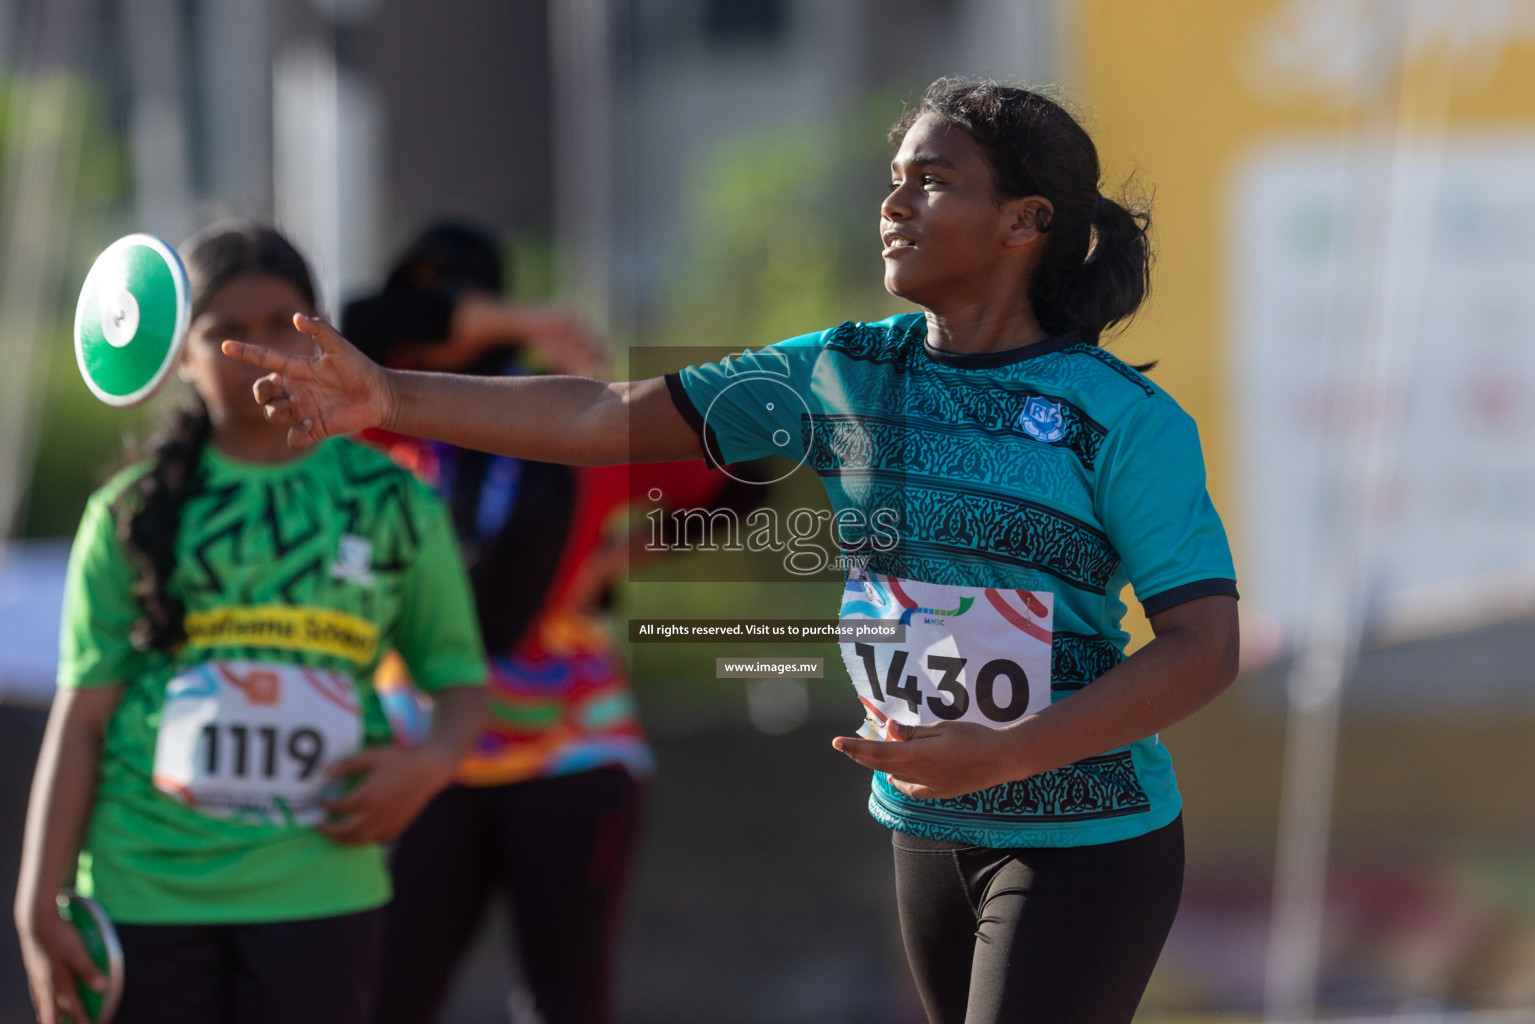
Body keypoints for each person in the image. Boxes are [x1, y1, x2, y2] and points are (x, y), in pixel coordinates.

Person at [224, 79, 1242, 1024]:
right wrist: (393, 397)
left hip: (1084, 834)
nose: (893, 204)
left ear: (1026, 221)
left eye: (932, 183)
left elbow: (1202, 645)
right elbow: (599, 414)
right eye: (893, 181)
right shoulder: (840, 367)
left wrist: (1010, 749)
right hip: (924, 820)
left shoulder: (1120, 418)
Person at [13, 224, 489, 1024]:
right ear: (179, 352)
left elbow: (458, 678)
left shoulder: (392, 501)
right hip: (145, 887)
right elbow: (82, 717)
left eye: (283, 324)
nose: (257, 349)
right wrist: (36, 902)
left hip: (321, 884)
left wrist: (432, 761)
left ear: (323, 332)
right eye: (225, 331)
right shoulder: (126, 514)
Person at [339, 222, 739, 1024]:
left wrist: (626, 558)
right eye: (435, 304)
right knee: (384, 997)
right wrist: (523, 318)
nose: (432, 320)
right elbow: (364, 325)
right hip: (423, 748)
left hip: (570, 747)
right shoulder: (384, 409)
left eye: (449, 297)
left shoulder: (567, 413)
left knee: (565, 1004)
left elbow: (749, 451)